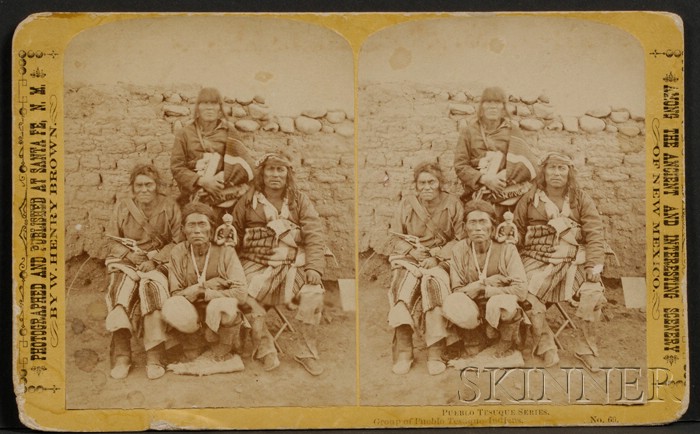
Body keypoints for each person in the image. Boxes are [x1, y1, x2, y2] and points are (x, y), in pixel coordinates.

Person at [231, 151, 326, 375]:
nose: (275, 174)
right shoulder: (247, 201)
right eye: (270, 169)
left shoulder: (298, 200)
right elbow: (234, 233)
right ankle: (265, 348)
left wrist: (314, 267)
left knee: (313, 292)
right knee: (245, 291)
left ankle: (306, 351)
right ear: (262, 173)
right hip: (256, 260)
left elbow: (314, 233)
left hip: (293, 260)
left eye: (280, 169)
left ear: (287, 173)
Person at [513, 152, 607, 371]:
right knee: (524, 289)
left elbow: (594, 232)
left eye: (561, 168)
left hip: (575, 256)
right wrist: (510, 238)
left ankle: (586, 349)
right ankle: (546, 345)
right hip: (537, 256)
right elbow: (518, 229)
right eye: (552, 167)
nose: (556, 173)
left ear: (569, 172)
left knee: (593, 293)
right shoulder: (529, 198)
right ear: (544, 171)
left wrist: (594, 264)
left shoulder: (580, 198)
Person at [104, 164, 183, 380]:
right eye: (139, 185)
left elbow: (179, 240)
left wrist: (155, 259)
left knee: (153, 291)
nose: (144, 189)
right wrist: (128, 255)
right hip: (129, 261)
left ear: (157, 186)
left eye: (149, 184)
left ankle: (154, 355)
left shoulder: (170, 206)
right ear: (132, 187)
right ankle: (122, 356)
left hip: (157, 262)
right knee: (118, 292)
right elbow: (111, 239)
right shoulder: (122, 207)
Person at [387, 161, 464, 375]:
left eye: (432, 182)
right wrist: (411, 252)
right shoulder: (407, 204)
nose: (427, 187)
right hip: (411, 257)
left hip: (439, 259)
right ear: (416, 185)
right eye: (422, 183)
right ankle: (404, 350)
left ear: (440, 183)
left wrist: (437, 257)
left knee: (435, 287)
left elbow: (461, 239)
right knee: (401, 287)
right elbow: (394, 236)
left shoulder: (453, 204)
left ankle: (435, 351)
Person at [161, 202, 249, 367]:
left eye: (202, 224)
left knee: (226, 305)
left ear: (212, 228)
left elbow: (241, 293)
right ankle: (194, 341)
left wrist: (204, 291)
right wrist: (211, 284)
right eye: (191, 225)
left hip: (218, 314)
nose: (196, 230)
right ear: (183, 230)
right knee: (172, 305)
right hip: (193, 316)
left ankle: (223, 345)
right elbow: (176, 294)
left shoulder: (226, 251)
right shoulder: (178, 252)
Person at [445, 200, 528, 359]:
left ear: (493, 227)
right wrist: (486, 282)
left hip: (497, 306)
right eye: (472, 222)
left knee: (504, 302)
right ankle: (475, 337)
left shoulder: (507, 249)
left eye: (483, 221)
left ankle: (505, 340)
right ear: (464, 227)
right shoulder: (459, 250)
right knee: (453, 301)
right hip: (474, 309)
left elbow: (521, 290)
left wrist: (484, 288)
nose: (477, 228)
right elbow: (457, 290)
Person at [453, 87, 537, 213]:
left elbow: (525, 163)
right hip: (478, 196)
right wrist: (485, 179)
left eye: (497, 102)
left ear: (503, 107)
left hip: (509, 194)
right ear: (482, 106)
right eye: (488, 102)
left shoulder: (513, 131)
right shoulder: (469, 131)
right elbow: (460, 166)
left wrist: (505, 175)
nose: (493, 107)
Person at [170, 87, 255, 212]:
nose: (209, 107)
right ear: (198, 107)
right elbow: (177, 167)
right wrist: (202, 181)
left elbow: (243, 164)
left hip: (226, 198)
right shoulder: (184, 134)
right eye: (205, 103)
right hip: (195, 198)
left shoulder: (229, 131)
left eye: (214, 103)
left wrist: (223, 178)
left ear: (220, 108)